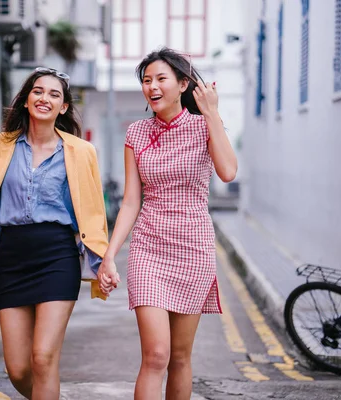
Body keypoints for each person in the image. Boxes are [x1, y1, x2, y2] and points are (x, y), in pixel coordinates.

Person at [0, 67, 109, 400]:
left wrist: (102, 265)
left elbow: (92, 216)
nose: (45, 98)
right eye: (38, 91)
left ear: (63, 107)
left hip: (57, 257)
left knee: (43, 358)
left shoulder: (81, 153)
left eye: (55, 94)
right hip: (14, 259)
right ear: (26, 100)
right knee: (18, 369)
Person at [97, 47, 238, 400]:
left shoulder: (205, 125)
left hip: (194, 248)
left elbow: (228, 171)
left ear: (183, 84)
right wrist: (110, 255)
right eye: (147, 80)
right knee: (156, 354)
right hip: (149, 248)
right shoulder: (137, 134)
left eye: (161, 79)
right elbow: (131, 200)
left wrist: (212, 113)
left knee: (179, 357)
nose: (152, 87)